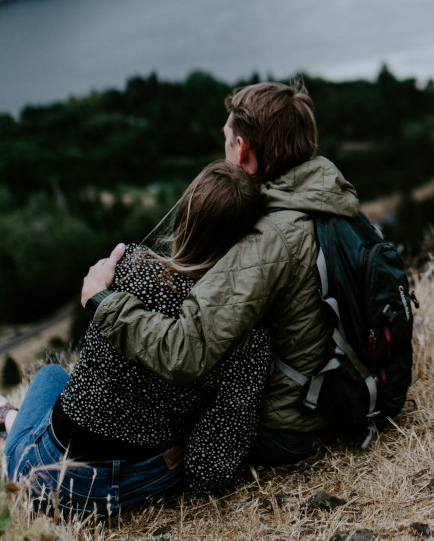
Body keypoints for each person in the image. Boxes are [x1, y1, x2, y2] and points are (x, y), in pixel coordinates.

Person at [80, 81, 358, 467]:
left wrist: (101, 300)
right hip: (337, 392)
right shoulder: (330, 198)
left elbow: (184, 352)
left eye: (227, 139)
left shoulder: (266, 240)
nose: (224, 148)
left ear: (241, 150)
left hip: (291, 428)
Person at [0, 161, 273, 516]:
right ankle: (7, 418)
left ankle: (5, 419)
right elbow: (209, 470)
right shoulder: (250, 337)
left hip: (54, 484)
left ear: (186, 218)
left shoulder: (129, 267)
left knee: (51, 377)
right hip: (141, 484)